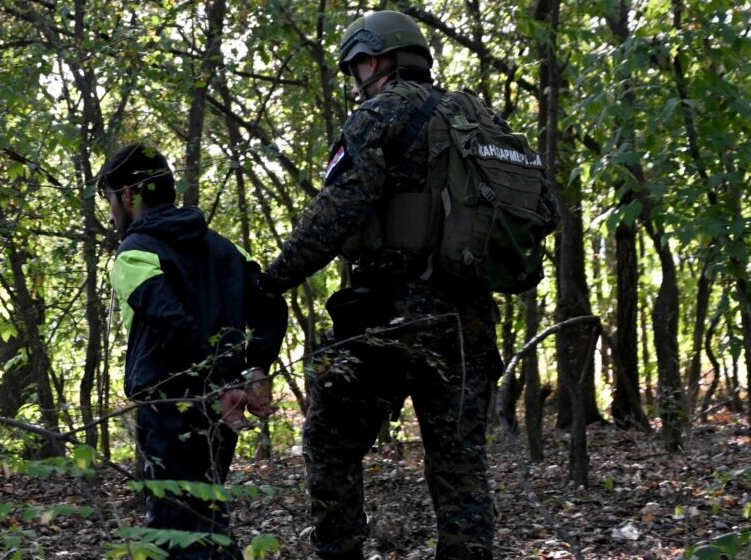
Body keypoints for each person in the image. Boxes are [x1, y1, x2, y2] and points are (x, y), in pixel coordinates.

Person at [262, 10, 537, 560]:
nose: (355, 77)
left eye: (357, 64)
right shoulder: (478, 119)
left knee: (329, 443)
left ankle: (340, 552)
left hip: (390, 314)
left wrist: (270, 280)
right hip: (468, 319)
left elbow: (335, 214)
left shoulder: (377, 117)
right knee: (459, 461)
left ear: (376, 59)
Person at [101, 143, 287, 560]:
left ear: (129, 196)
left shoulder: (134, 253)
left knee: (179, 529)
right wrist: (253, 368)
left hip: (173, 407)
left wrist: (224, 380)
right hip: (223, 404)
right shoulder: (225, 248)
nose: (111, 212)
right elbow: (272, 305)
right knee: (204, 518)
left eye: (110, 199)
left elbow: (172, 323)